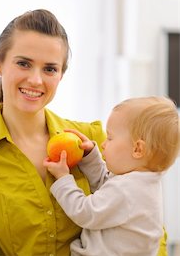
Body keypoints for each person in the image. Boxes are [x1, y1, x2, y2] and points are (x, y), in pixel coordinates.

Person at [0, 9, 167, 255]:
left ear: (61, 74)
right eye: (23, 63)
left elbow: (148, 225)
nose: (36, 80)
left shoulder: (93, 141)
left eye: (49, 69)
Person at [43, 96, 180, 256]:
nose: (103, 144)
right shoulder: (141, 181)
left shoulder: (127, 190)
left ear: (137, 149)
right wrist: (90, 157)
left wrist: (63, 179)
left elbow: (84, 212)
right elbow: (106, 185)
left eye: (110, 137)